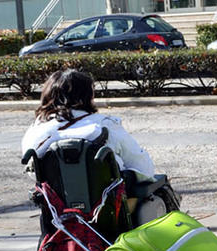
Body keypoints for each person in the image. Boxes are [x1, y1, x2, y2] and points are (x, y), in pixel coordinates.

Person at [22, 69, 156, 215]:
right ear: (87, 96)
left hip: (58, 213)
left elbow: (34, 173)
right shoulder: (104, 125)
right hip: (108, 212)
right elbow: (144, 168)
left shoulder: (35, 131)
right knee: (153, 188)